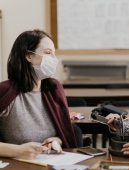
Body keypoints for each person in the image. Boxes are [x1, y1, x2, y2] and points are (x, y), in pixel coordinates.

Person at [0, 29, 77, 160]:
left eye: (54, 53)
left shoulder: (54, 88)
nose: (54, 59)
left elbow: (63, 133)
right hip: (14, 168)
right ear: (28, 56)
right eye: (48, 53)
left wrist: (56, 140)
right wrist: (17, 151)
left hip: (50, 164)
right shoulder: (4, 91)